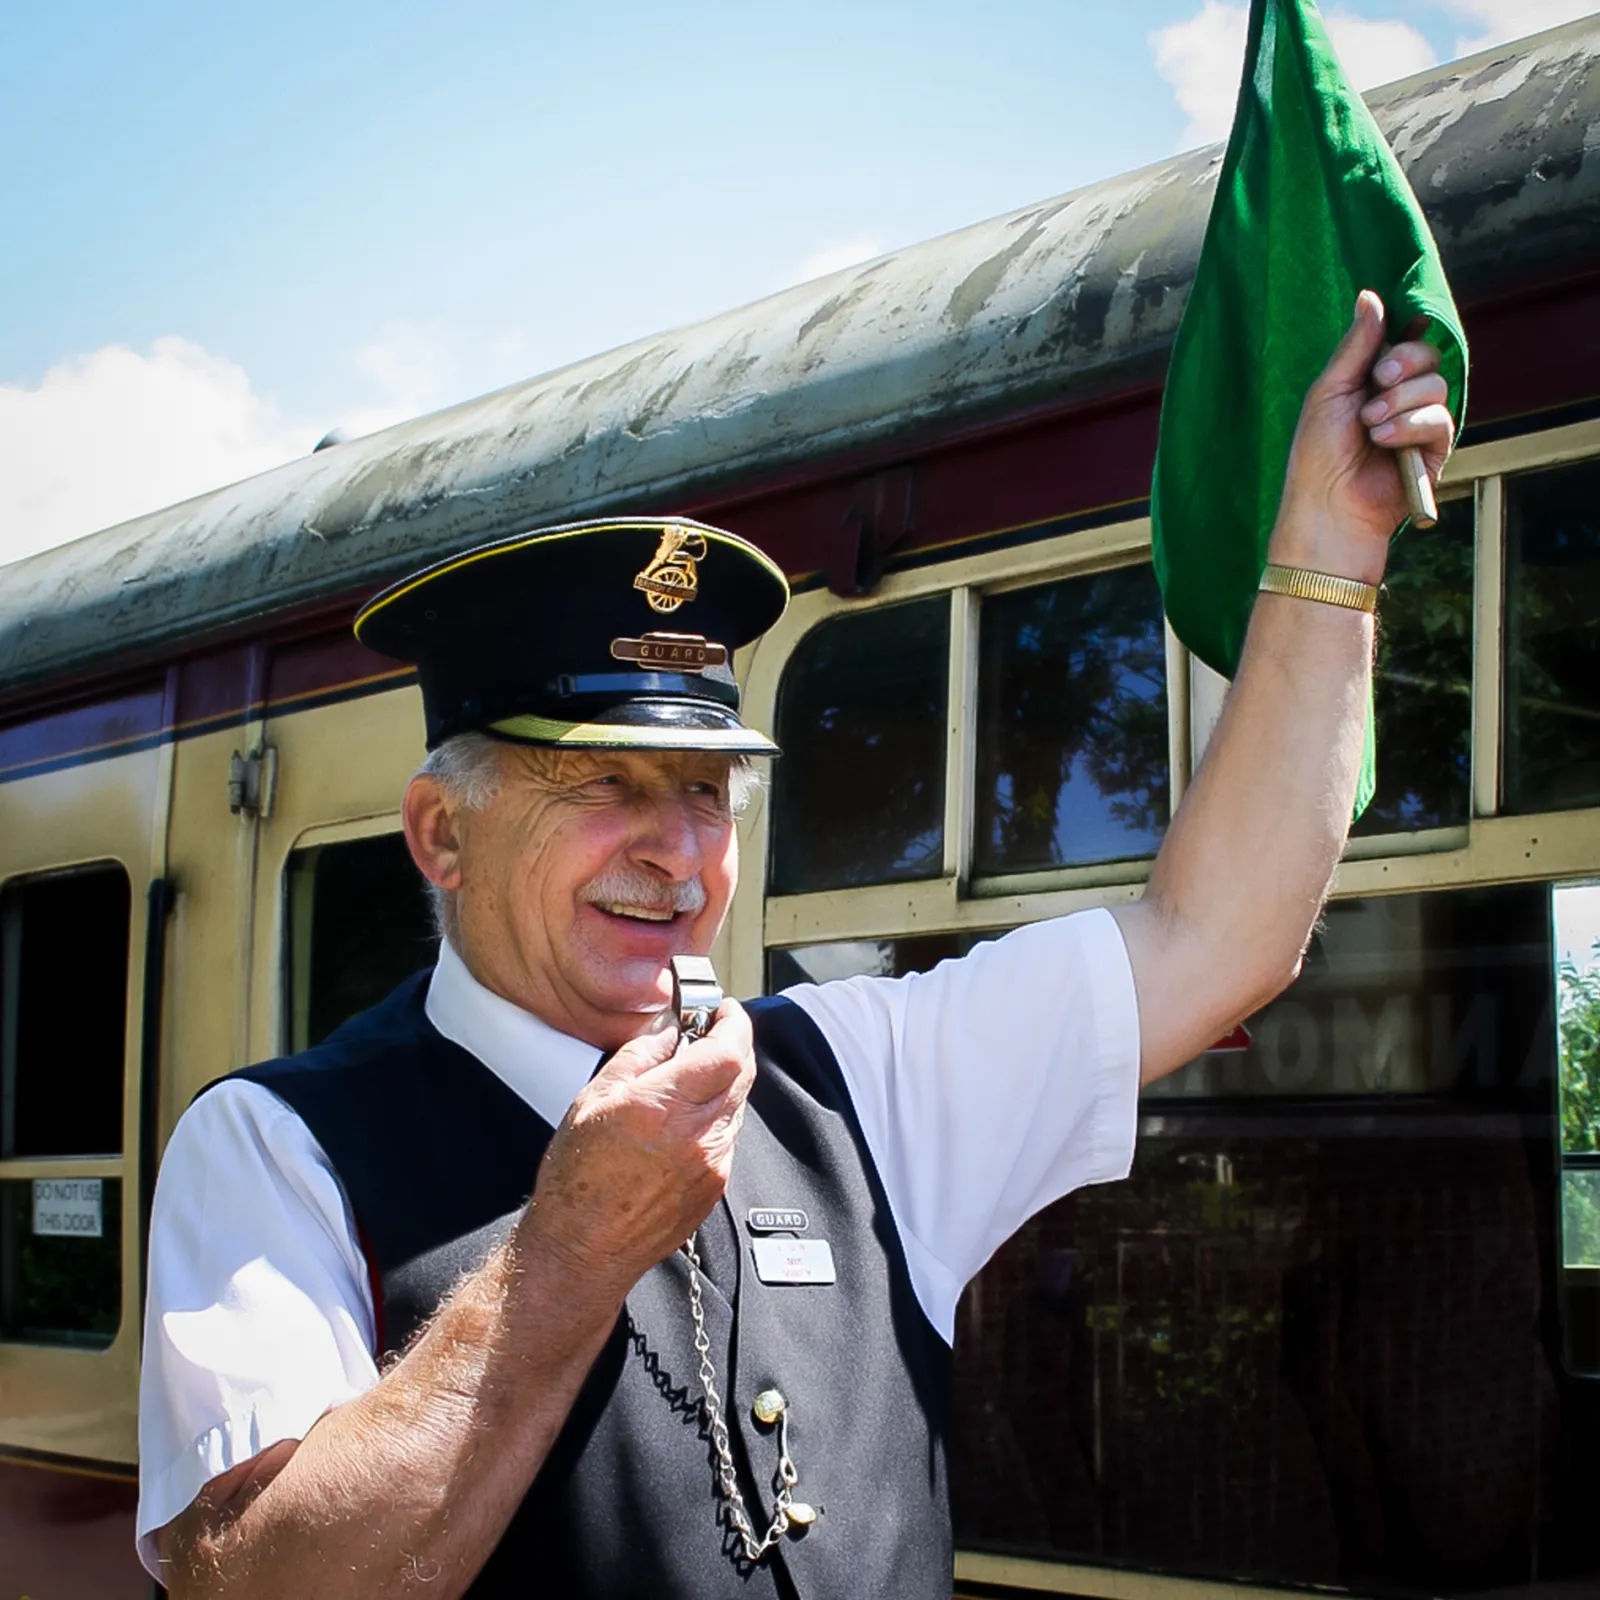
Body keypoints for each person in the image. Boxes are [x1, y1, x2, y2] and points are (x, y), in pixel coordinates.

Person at [137, 291, 1453, 1599]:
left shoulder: (849, 1076)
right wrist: (565, 1260)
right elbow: (246, 1586)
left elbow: (1217, 937)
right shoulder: (277, 1149)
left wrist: (1333, 545)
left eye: (707, 792)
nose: (676, 851)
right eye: (606, 785)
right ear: (443, 834)